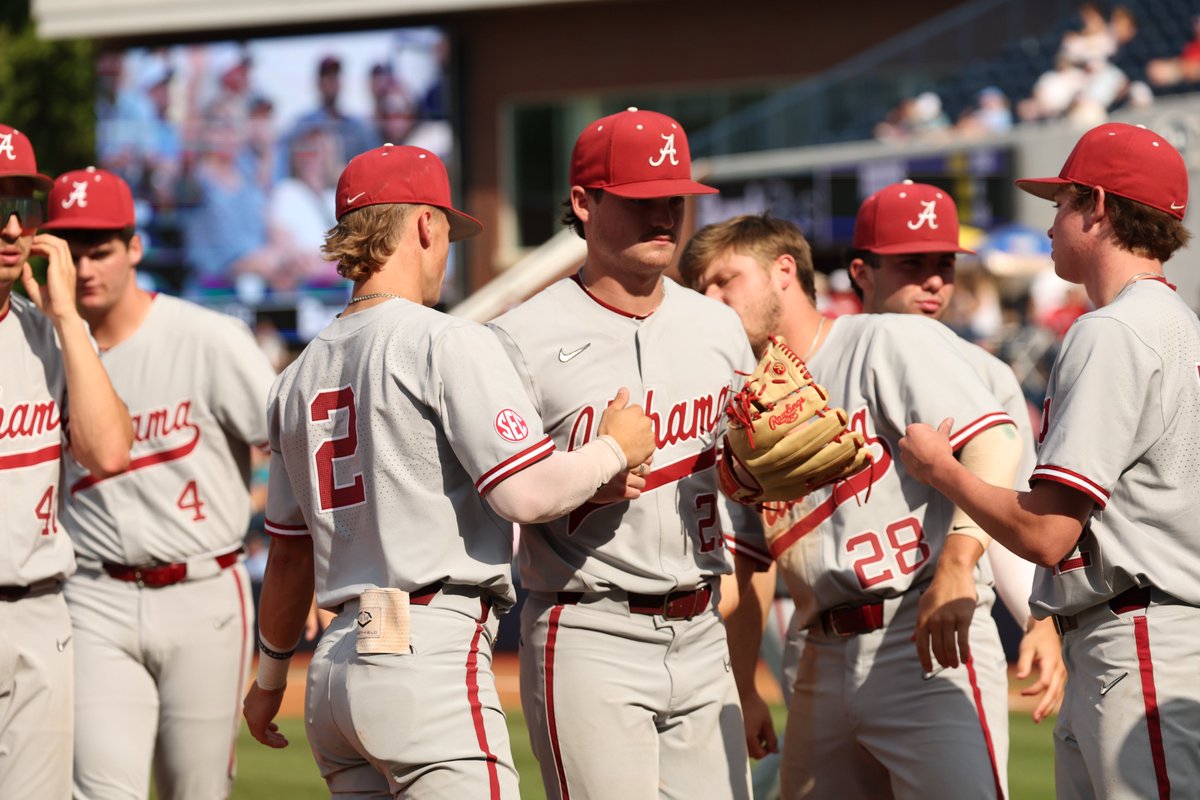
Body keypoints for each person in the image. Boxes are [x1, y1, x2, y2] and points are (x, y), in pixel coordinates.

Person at [242, 143, 655, 798]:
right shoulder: (445, 338)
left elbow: (289, 559)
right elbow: (527, 493)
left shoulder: (293, 379)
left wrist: (268, 682)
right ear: (424, 226)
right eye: (447, 232)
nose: (447, 250)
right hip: (425, 650)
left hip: (332, 672)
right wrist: (614, 448)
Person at [677, 209, 1022, 799]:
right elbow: (747, 562)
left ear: (784, 270)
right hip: (816, 653)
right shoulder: (739, 405)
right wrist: (742, 684)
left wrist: (960, 564)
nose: (710, 298)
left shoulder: (884, 339)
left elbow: (997, 443)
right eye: (699, 288)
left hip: (921, 635)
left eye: (723, 279)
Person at [900, 122, 1199, 799]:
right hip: (1145, 631)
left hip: (1141, 640)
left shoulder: (1112, 331)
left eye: (1060, 203)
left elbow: (1047, 532)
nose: (1050, 225)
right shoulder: (1176, 325)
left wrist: (941, 469)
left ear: (1098, 206)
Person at [488, 107, 763, 800]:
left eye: (673, 199)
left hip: (703, 627)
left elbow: (740, 475)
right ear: (584, 202)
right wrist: (592, 472)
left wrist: (761, 469)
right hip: (588, 628)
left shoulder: (717, 326)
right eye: (642, 200)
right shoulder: (520, 338)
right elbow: (497, 494)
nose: (664, 216)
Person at [40, 165, 276, 798]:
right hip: (93, 594)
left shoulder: (206, 337)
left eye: (102, 251)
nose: (86, 268)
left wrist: (300, 564)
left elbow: (292, 447)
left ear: (134, 248)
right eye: (71, 253)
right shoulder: (41, 350)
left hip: (203, 587)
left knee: (194, 791)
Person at [0, 123, 132, 797]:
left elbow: (108, 449)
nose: (13, 227)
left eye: (21, 206)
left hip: (38, 612)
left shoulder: (44, 333)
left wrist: (67, 321)